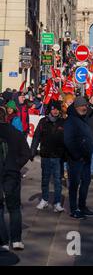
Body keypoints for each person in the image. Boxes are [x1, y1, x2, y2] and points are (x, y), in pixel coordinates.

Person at [0, 107, 31, 250]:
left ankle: (3, 242)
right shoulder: (16, 133)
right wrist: (16, 165)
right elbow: (27, 153)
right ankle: (16, 240)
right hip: (12, 172)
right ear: (6, 117)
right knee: (14, 207)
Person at [64, 97, 93, 219]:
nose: (84, 108)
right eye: (82, 106)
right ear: (76, 107)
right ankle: (74, 209)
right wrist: (77, 155)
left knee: (86, 182)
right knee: (74, 184)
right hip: (76, 159)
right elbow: (68, 140)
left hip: (86, 159)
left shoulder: (83, 118)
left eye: (85, 106)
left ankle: (82, 206)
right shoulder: (71, 120)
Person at [30, 101, 65, 212]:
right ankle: (44, 199)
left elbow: (68, 140)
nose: (55, 111)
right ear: (49, 110)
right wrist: (32, 151)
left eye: (57, 109)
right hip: (45, 155)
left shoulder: (63, 122)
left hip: (58, 157)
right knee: (45, 179)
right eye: (53, 109)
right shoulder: (43, 122)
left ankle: (57, 202)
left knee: (57, 180)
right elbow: (36, 137)